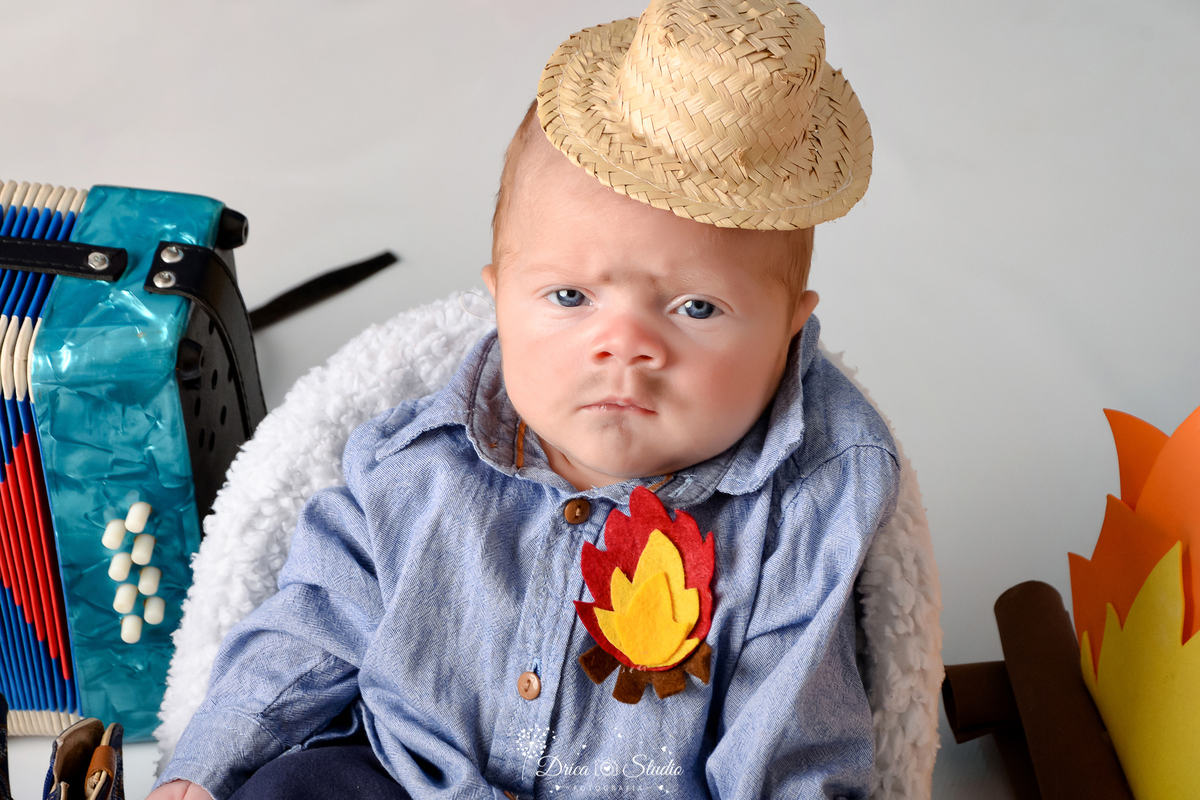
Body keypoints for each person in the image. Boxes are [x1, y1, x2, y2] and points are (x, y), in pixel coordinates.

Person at [150, 1, 898, 797]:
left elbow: (787, 747)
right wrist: (202, 771)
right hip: (403, 776)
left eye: (697, 308)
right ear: (501, 300)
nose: (626, 344)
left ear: (789, 330)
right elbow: (308, 633)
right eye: (571, 296)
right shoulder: (414, 464)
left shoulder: (805, 504)